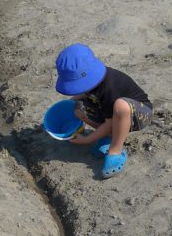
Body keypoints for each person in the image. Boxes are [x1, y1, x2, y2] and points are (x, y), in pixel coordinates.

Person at [54, 43, 153, 178]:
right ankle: (110, 135)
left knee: (120, 106)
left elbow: (109, 122)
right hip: (111, 114)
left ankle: (116, 151)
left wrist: (87, 140)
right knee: (77, 107)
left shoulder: (108, 87)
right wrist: (71, 105)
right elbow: (83, 96)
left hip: (139, 114)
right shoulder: (91, 84)